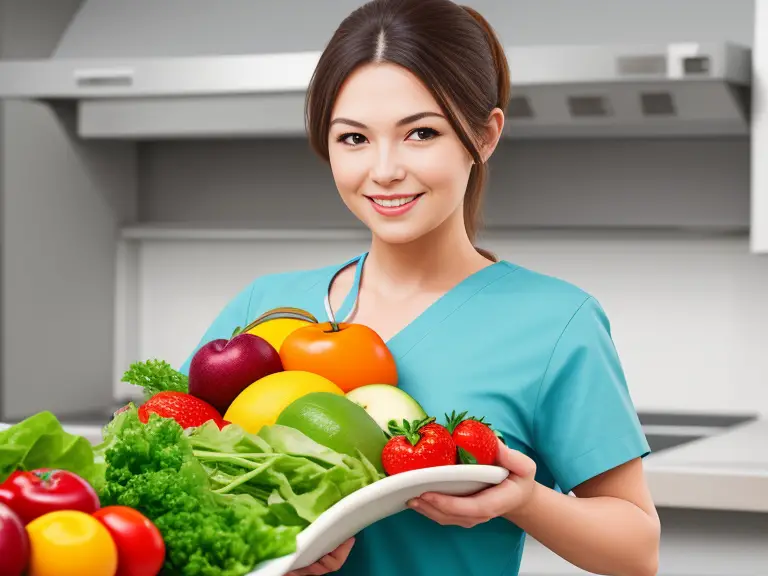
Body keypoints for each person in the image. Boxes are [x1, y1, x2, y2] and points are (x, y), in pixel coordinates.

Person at [178, 0, 661, 574]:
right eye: (354, 139)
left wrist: (527, 500)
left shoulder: (556, 321)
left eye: (420, 133)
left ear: (483, 137)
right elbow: (173, 495)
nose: (384, 170)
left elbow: (636, 549)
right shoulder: (262, 308)